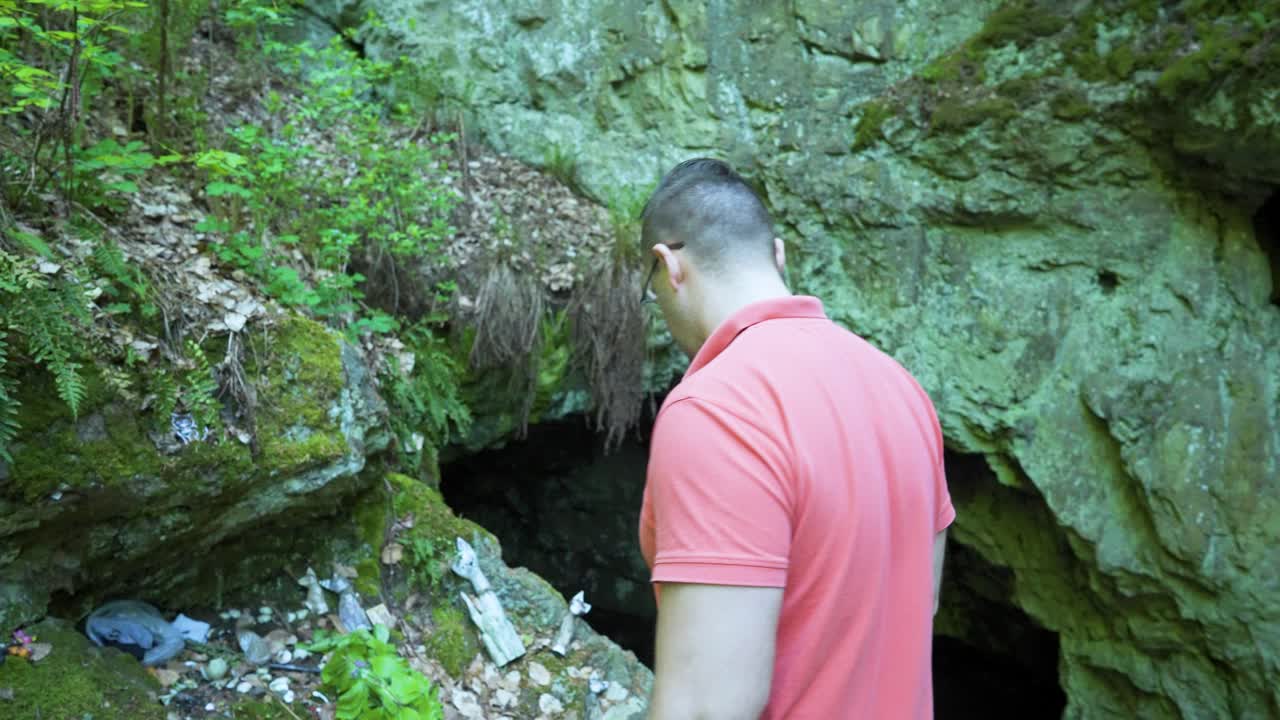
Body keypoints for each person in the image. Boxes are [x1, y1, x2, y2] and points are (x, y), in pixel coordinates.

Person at [637, 158, 954, 719]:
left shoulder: (716, 410)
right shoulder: (904, 390)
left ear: (669, 267)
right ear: (779, 256)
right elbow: (916, 604)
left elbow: (708, 705)